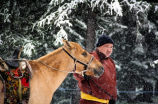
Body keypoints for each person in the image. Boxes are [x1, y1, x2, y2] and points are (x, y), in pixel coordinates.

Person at [73, 34, 117, 104]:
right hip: (90, 101)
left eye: (111, 47)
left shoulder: (111, 61)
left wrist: (113, 98)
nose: (109, 50)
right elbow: (76, 72)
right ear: (99, 46)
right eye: (106, 46)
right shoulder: (90, 58)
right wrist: (83, 74)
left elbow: (112, 83)